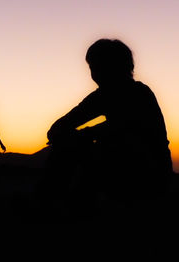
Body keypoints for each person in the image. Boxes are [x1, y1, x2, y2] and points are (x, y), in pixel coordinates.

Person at [47, 39, 173, 201]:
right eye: (93, 67)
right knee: (71, 148)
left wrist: (81, 134)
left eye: (98, 66)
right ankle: (57, 201)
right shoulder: (101, 96)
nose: (95, 72)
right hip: (118, 165)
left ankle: (60, 203)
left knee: (96, 148)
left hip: (149, 172)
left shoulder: (139, 93)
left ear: (118, 66)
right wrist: (65, 135)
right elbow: (60, 126)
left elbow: (121, 128)